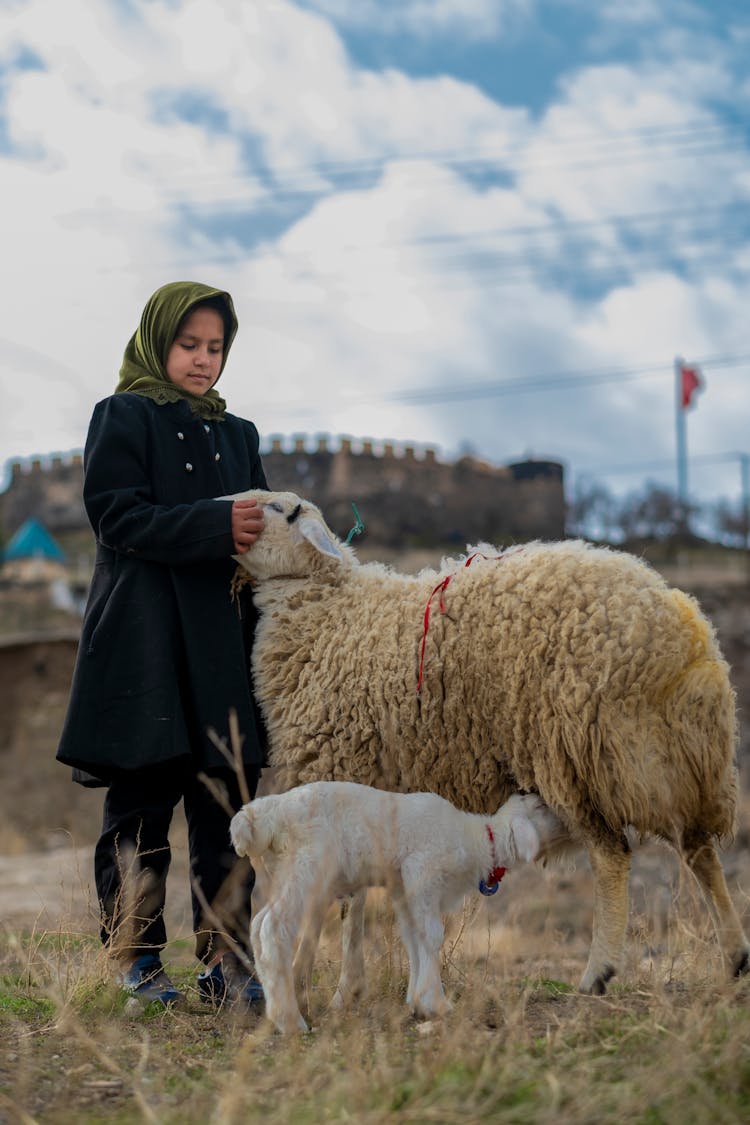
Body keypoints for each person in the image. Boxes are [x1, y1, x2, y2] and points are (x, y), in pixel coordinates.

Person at [56, 281, 269, 1011]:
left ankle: (230, 963)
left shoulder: (239, 435)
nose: (203, 359)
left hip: (220, 647)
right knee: (141, 808)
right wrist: (215, 526)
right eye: (189, 344)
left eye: (215, 347)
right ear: (158, 341)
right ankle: (136, 960)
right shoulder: (120, 416)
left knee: (227, 808)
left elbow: (263, 526)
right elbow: (117, 515)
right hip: (144, 644)